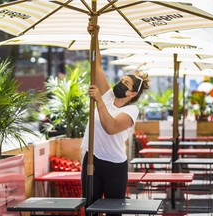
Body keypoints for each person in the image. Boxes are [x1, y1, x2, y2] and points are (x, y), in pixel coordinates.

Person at [81, 21, 150, 215]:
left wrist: (98, 101)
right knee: (90, 209)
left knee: (113, 211)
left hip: (114, 166)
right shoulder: (109, 95)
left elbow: (110, 127)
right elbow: (96, 66)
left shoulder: (131, 111)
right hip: (91, 160)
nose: (120, 84)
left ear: (131, 94)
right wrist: (94, 37)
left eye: (125, 83)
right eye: (121, 80)